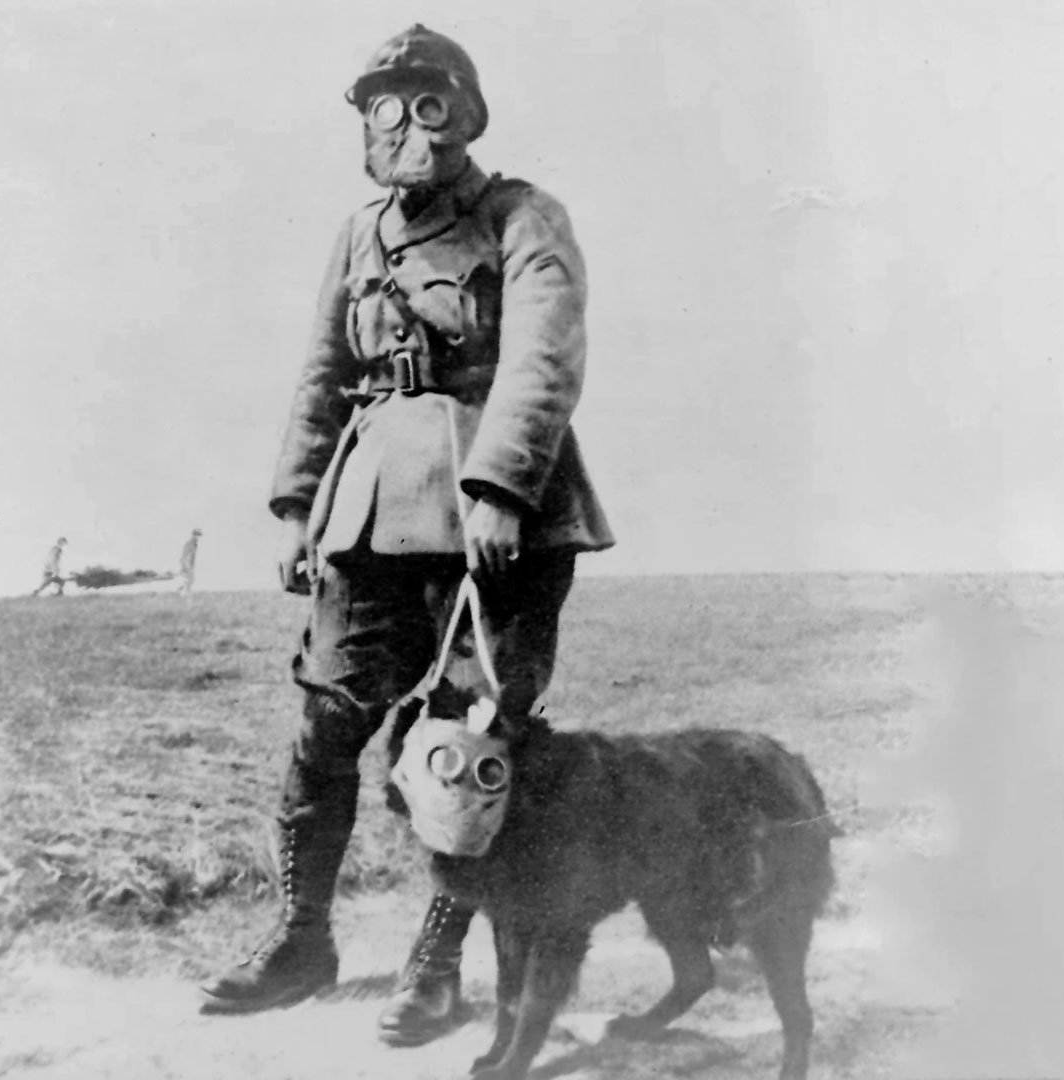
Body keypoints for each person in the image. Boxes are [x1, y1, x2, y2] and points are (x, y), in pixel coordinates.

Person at [197, 25, 614, 1049]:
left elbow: (543, 355)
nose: (408, 124)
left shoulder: (524, 215)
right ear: (368, 125)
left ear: (466, 114)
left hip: (495, 519)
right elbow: (320, 375)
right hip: (370, 510)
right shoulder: (357, 233)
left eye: (431, 102)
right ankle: (301, 940)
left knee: (465, 745)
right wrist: (298, 503)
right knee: (324, 730)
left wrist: (503, 487)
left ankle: (437, 968)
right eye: (387, 104)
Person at [178, 528, 203, 594]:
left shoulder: (194, 544)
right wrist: (186, 566)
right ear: (193, 535)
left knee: (189, 579)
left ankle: (183, 591)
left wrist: (192, 565)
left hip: (188, 564)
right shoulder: (190, 543)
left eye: (199, 535)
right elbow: (185, 555)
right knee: (191, 579)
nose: (198, 537)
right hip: (186, 563)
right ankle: (184, 592)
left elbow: (192, 556)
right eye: (197, 535)